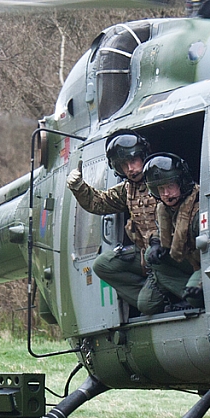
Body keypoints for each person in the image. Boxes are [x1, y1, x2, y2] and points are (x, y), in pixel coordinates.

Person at [66, 130, 158, 310]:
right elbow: (99, 202)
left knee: (148, 304)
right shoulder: (128, 189)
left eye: (133, 161)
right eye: (124, 165)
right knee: (103, 265)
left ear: (143, 156)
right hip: (146, 255)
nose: (130, 169)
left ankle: (157, 296)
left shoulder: (162, 181)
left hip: (168, 252)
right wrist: (79, 187)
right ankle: (155, 294)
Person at [138, 153, 204, 314]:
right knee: (149, 256)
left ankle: (193, 297)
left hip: (206, 264)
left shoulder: (199, 209)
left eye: (170, 186)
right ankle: (185, 296)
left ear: (181, 183)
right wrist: (156, 244)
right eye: (161, 189)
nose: (166, 193)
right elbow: (161, 232)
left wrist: (201, 282)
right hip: (189, 262)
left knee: (196, 296)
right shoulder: (165, 210)